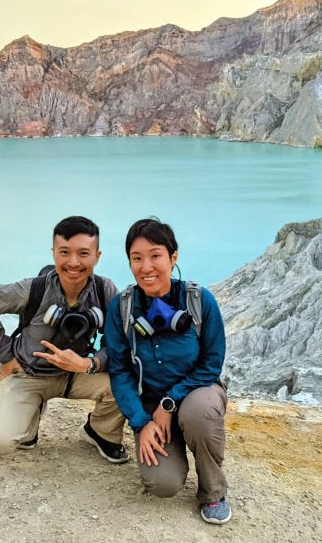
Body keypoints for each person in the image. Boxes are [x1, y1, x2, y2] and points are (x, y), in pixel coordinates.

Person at [0, 216, 128, 463]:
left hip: (78, 375)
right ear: (54, 253)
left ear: (97, 256)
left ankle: (100, 432)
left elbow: (120, 343)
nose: (73, 262)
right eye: (64, 252)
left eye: (83, 253)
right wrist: (5, 354)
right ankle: (29, 422)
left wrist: (90, 364)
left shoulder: (104, 290)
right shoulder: (32, 290)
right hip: (29, 374)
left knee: (128, 383)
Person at [105, 218, 231, 524]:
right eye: (137, 258)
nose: (146, 266)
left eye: (155, 255)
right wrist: (141, 423)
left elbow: (212, 365)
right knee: (163, 484)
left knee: (198, 415)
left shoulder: (200, 301)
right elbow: (120, 370)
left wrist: (170, 402)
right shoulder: (121, 308)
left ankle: (213, 491)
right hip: (149, 405)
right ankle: (174, 449)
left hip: (197, 395)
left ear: (173, 258)